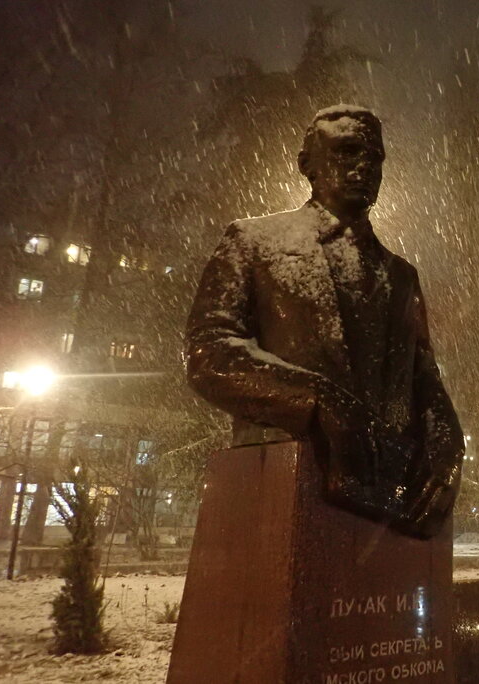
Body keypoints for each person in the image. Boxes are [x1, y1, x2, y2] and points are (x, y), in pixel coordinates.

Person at [185, 105, 463, 537]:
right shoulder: (253, 242)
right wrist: (318, 403)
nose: (364, 166)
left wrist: (448, 446)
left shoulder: (401, 276)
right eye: (347, 152)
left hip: (391, 493)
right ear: (306, 164)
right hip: (285, 471)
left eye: (375, 157)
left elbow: (424, 378)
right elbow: (209, 353)